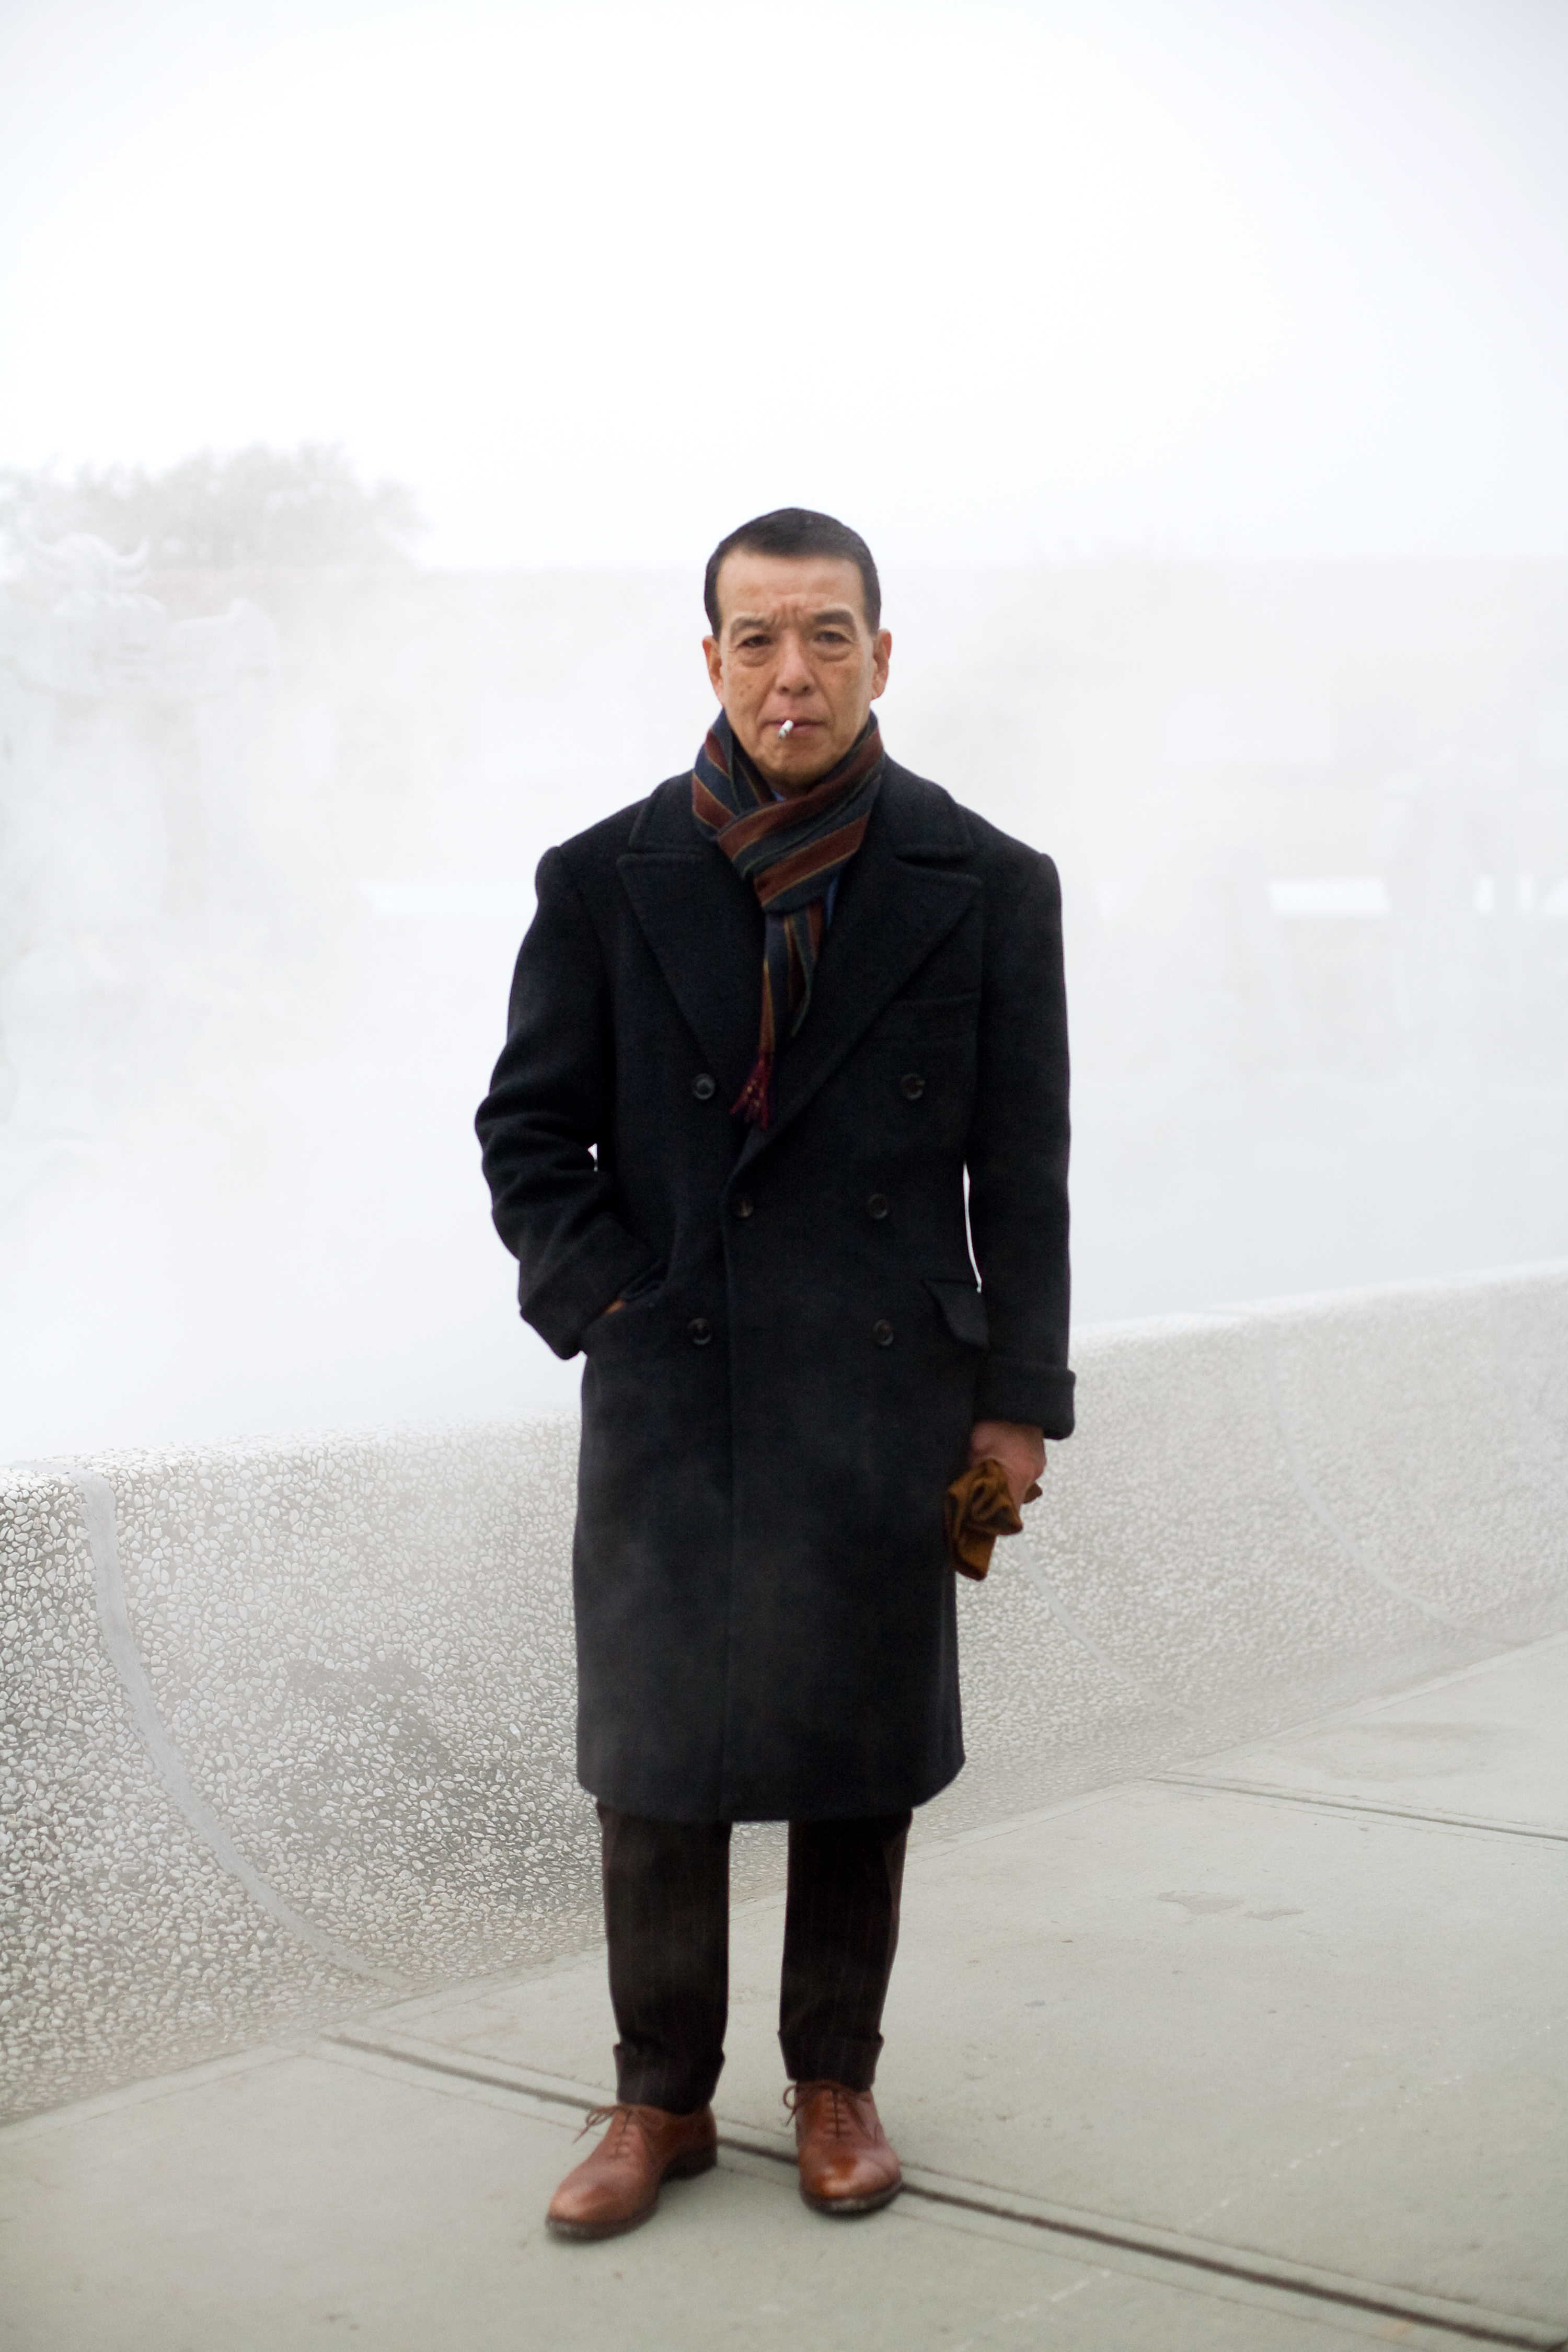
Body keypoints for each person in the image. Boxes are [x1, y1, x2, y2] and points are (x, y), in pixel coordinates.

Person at [475, 507, 1073, 2240]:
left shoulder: (988, 881)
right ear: (712, 658)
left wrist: (1018, 1402)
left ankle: (834, 2082)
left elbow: (1022, 1172)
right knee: (655, 1759)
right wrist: (614, 1302)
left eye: (827, 636)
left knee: (855, 1756)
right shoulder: (600, 876)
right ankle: (659, 2096)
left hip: (883, 1394)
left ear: (883, 655)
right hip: (675, 1385)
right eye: (758, 638)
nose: (791, 672)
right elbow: (529, 1134)